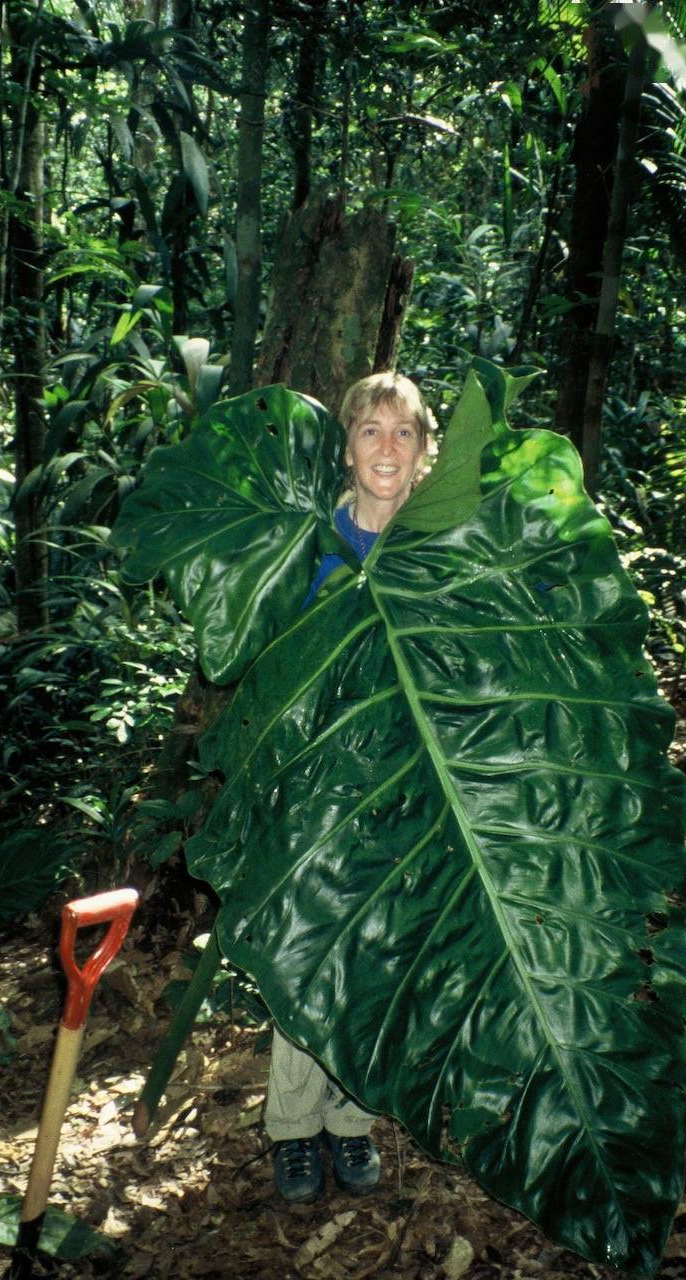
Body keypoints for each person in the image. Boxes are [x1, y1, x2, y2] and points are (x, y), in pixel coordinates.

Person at [266, 371, 435, 1205]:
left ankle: (353, 1118)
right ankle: (294, 1129)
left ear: (425, 451)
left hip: (417, 779)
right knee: (308, 943)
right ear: (347, 446)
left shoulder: (444, 544)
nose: (385, 448)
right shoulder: (314, 544)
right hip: (324, 779)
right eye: (370, 430)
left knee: (381, 946)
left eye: (402, 433)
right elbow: (273, 659)